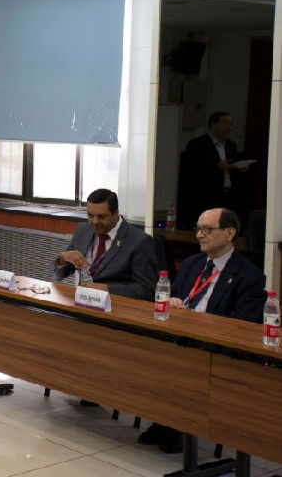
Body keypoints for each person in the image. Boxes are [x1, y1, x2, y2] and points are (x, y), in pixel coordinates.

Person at [138, 207, 266, 453]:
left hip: (214, 346)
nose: (199, 235)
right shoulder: (192, 263)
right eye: (198, 229)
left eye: (207, 229)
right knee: (144, 349)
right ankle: (162, 417)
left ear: (229, 233)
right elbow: (174, 295)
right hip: (180, 335)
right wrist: (173, 301)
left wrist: (196, 320)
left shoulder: (249, 276)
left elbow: (242, 325)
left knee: (179, 360)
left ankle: (176, 425)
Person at [53, 188, 158, 301]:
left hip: (116, 306)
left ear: (116, 213)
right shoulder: (82, 230)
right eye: (90, 215)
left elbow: (148, 291)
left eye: (101, 217)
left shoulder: (139, 241)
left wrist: (108, 289)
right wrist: (62, 259)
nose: (95, 222)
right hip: (82, 301)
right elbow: (57, 275)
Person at [180, 111, 249, 227]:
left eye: (231, 124)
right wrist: (216, 166)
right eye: (225, 123)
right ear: (213, 124)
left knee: (225, 226)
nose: (229, 127)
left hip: (228, 194)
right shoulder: (197, 144)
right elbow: (191, 168)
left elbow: (231, 165)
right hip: (206, 195)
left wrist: (240, 168)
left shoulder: (231, 145)